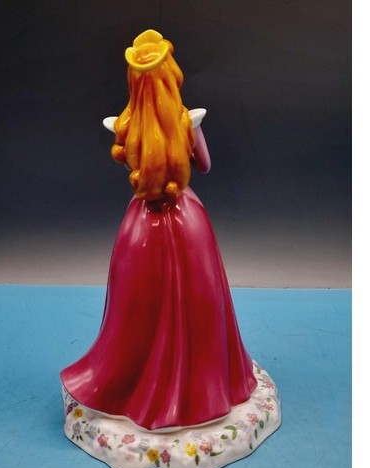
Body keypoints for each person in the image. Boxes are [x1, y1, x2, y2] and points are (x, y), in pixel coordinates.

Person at [61, 30, 257, 431]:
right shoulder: (188, 121)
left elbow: (131, 166)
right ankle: (202, 390)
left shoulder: (123, 127)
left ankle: (131, 385)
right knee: (198, 304)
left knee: (136, 310)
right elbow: (205, 166)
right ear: (171, 76)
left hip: (141, 228)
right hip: (187, 221)